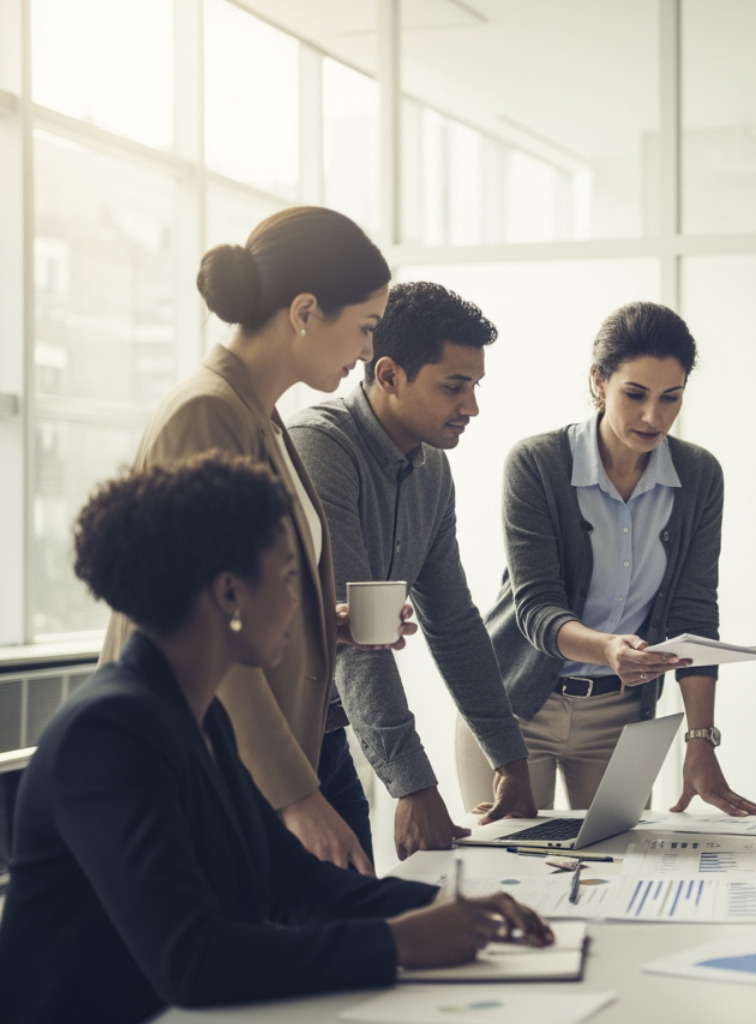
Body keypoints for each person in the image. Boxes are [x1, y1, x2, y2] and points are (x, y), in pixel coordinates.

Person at [0, 454, 552, 1024]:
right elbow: (192, 960)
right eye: (290, 577)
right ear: (230, 594)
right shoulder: (108, 735)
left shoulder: (199, 715)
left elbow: (292, 880)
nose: (303, 602)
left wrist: (445, 908)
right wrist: (400, 943)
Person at [99, 207, 414, 874]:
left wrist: (322, 626)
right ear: (305, 311)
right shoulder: (207, 413)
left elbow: (236, 598)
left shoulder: (262, 416)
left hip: (234, 764)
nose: (365, 350)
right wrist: (298, 798)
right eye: (364, 328)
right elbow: (196, 626)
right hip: (195, 761)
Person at [469, 301, 756, 816]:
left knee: (621, 870)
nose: (654, 416)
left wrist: (700, 740)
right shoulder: (536, 464)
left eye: (671, 398)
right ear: (598, 382)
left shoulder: (698, 477)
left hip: (619, 713)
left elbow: (695, 611)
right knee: (511, 872)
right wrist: (608, 647)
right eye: (635, 394)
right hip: (513, 705)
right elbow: (536, 609)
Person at [290, 282, 536, 862]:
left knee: (353, 906)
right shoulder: (318, 446)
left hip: (324, 735)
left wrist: (509, 756)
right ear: (390, 374)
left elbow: (453, 622)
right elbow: (358, 638)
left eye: (475, 386)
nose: (472, 406)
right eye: (454, 386)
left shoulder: (430, 470)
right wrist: (414, 785)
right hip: (260, 742)